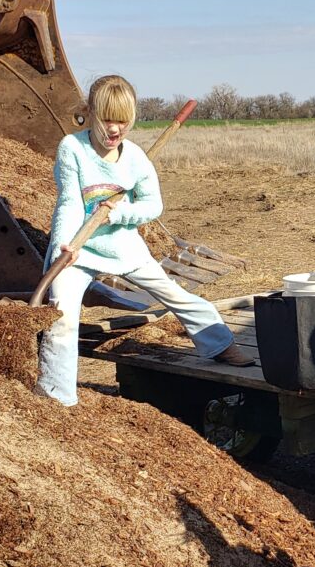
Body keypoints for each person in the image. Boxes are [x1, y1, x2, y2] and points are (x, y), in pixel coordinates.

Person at [36, 75, 251, 406]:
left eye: (123, 121)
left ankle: (221, 345)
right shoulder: (73, 148)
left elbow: (153, 205)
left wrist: (119, 214)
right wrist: (66, 246)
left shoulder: (136, 158)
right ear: (90, 112)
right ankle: (56, 396)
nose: (114, 130)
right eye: (107, 119)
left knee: (173, 294)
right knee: (61, 317)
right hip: (77, 249)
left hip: (123, 247)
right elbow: (69, 203)